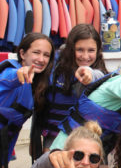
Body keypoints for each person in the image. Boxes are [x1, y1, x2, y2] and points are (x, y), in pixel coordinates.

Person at [32, 23, 107, 158]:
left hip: (85, 138)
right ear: (71, 49)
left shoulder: (99, 73)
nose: (85, 56)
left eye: (91, 50)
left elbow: (98, 76)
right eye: (80, 50)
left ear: (98, 51)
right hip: (54, 135)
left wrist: (89, 74)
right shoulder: (55, 64)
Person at [0, 33, 54, 168]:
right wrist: (18, 75)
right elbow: (8, 79)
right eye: (36, 53)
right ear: (22, 53)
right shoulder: (12, 72)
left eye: (46, 55)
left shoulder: (38, 82)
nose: (41, 59)